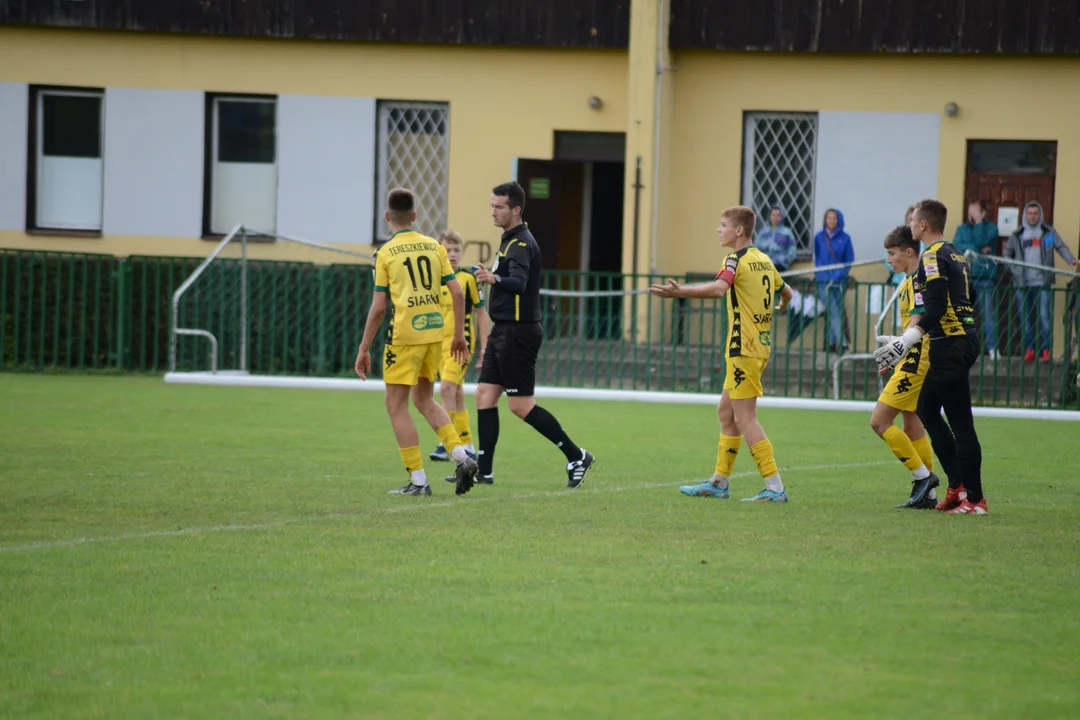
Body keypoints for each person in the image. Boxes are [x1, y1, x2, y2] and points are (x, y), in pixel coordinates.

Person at [457, 181, 595, 496]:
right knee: (484, 396)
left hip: (518, 332)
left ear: (516, 210)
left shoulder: (520, 244)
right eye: (491, 205)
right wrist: (491, 274)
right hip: (503, 330)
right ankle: (484, 471)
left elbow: (518, 283)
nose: (493, 211)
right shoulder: (509, 241)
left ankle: (577, 456)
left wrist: (495, 278)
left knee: (520, 406)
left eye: (499, 207)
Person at [650, 205, 794, 503]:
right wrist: (780, 308)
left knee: (745, 418)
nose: (719, 229)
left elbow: (718, 289)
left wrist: (681, 292)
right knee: (726, 414)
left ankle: (775, 487)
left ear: (739, 230)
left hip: (743, 349)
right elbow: (787, 292)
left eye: (723, 224)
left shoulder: (735, 259)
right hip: (759, 347)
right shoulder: (764, 259)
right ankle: (719, 481)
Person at [354, 188, 479, 496]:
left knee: (395, 405)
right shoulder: (434, 247)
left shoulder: (385, 253)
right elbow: (459, 293)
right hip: (435, 332)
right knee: (424, 400)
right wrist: (460, 336)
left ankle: (419, 481)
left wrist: (363, 347)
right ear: (414, 216)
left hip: (404, 335)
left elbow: (379, 307)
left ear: (387, 217)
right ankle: (462, 456)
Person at [874, 199, 986, 515]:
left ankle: (974, 499)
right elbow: (970, 297)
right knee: (926, 409)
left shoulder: (933, 255)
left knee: (960, 423)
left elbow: (934, 307)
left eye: (913, 221)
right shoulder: (956, 254)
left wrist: (906, 341)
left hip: (949, 343)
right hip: (959, 339)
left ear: (923, 225)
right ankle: (954, 487)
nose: (910, 225)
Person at [871, 226, 940, 509]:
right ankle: (930, 496)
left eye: (892, 253)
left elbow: (920, 318)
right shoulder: (910, 280)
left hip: (916, 361)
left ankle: (923, 477)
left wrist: (901, 347)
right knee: (912, 426)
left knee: (879, 422)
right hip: (911, 358)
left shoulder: (917, 280)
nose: (888, 260)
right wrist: (896, 349)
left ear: (909, 252)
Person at [428, 230, 488, 464]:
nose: (452, 255)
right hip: (438, 345)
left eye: (456, 251)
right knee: (457, 393)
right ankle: (468, 445)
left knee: (445, 389)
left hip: (461, 344)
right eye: (447, 250)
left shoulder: (467, 279)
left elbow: (481, 313)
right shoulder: (433, 279)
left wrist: (485, 344)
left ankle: (447, 442)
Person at [1003, 201, 1079, 363]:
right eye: (1029, 213)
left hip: (1042, 282)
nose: (1032, 216)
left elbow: (1061, 247)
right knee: (1025, 318)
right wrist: (1014, 269)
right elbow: (1006, 254)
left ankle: (1045, 350)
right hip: (1022, 284)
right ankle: (1030, 349)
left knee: (1044, 316)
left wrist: (1071, 260)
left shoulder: (1047, 232)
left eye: (1035, 213)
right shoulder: (1017, 234)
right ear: (1025, 215)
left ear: (1040, 215)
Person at [952, 201, 1000, 359]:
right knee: (962, 315)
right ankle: (962, 349)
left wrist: (979, 225)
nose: (971, 215)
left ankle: (993, 349)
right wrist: (978, 249)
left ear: (983, 214)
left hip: (985, 277)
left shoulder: (992, 228)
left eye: (975, 212)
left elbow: (981, 240)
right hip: (964, 277)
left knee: (988, 315)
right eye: (969, 212)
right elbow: (957, 246)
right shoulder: (961, 229)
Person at [813, 208, 854, 352]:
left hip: (839, 282)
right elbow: (817, 258)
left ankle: (831, 343)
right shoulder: (819, 237)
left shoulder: (845, 238)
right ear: (825, 220)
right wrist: (818, 274)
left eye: (834, 218)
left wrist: (837, 276)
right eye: (829, 218)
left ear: (839, 220)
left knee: (833, 312)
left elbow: (849, 260)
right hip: (823, 282)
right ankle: (842, 343)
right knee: (835, 311)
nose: (832, 221)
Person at [755, 206, 797, 272]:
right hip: (763, 264)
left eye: (778, 215)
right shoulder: (763, 232)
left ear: (782, 217)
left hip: (779, 265)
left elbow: (792, 251)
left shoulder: (787, 233)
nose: (775, 218)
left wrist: (783, 260)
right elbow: (755, 249)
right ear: (769, 216)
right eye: (773, 215)